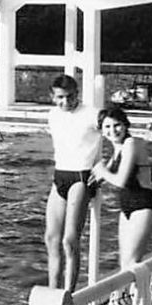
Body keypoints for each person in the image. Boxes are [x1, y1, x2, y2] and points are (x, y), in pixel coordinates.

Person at [44, 75, 103, 291]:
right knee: (51, 238)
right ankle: (52, 291)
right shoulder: (52, 115)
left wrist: (105, 167)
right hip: (60, 175)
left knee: (69, 240)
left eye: (70, 97)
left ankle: (68, 294)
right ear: (52, 97)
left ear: (77, 94)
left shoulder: (92, 114)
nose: (65, 102)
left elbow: (121, 132)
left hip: (81, 176)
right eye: (60, 97)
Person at [91, 105, 152, 268]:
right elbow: (98, 177)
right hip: (127, 208)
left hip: (143, 207)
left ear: (125, 125)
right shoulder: (117, 149)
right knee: (124, 265)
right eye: (107, 127)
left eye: (117, 125)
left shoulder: (131, 143)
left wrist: (101, 169)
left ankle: (142, 293)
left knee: (132, 264)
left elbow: (120, 180)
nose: (112, 130)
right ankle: (127, 294)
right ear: (101, 130)